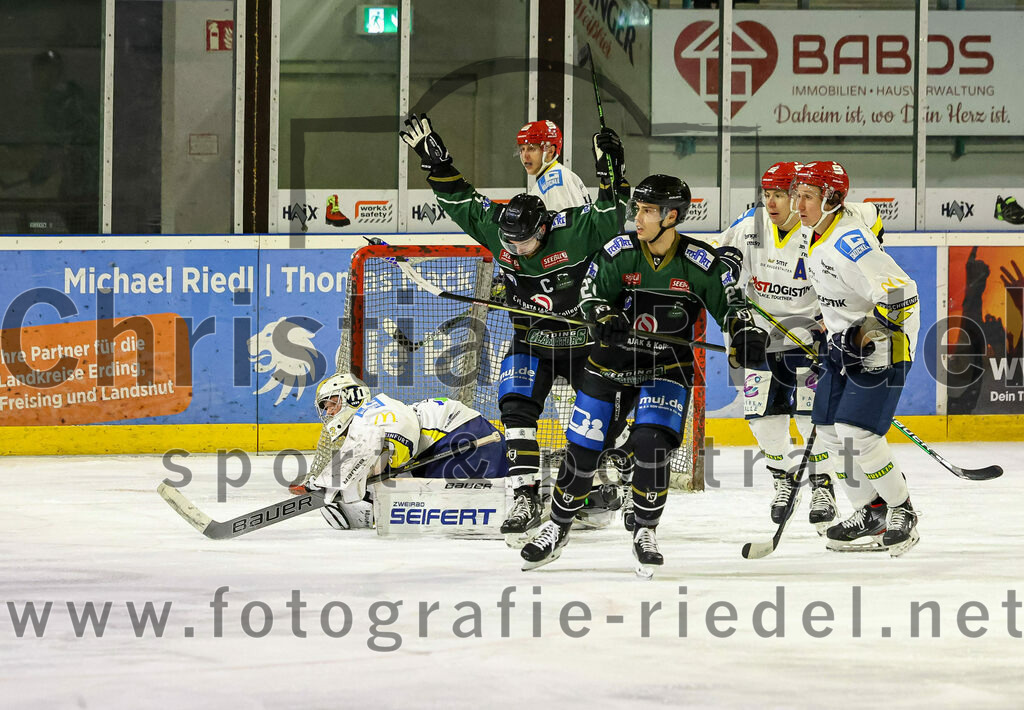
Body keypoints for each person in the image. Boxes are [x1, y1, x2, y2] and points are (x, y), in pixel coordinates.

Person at [520, 174, 769, 576]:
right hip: (609, 365)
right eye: (637, 209)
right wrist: (604, 315)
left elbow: (731, 306)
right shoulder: (618, 251)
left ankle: (645, 530)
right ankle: (558, 525)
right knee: (583, 450)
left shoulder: (699, 261)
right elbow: (590, 294)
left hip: (665, 368)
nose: (637, 217)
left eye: (648, 211)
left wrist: (743, 332)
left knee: (653, 446)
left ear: (672, 216)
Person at [400, 113, 630, 545]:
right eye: (509, 245)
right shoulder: (500, 229)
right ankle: (525, 497)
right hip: (532, 340)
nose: (516, 251)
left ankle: (600, 481)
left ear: (545, 229)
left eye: (524, 244)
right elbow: (462, 200)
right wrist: (436, 161)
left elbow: (611, 214)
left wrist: (612, 172)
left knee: (594, 426)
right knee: (516, 408)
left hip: (582, 341)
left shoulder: (573, 231)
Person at [792, 161, 921, 556]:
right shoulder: (818, 227)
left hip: (883, 344)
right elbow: (870, 212)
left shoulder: (849, 241)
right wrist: (830, 326)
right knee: (828, 431)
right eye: (797, 194)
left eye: (808, 196)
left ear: (832, 199)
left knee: (857, 433)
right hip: (842, 346)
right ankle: (872, 511)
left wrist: (863, 332)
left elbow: (903, 294)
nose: (798, 205)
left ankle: (902, 510)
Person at [711, 162, 838, 533]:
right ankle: (784, 480)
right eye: (767, 194)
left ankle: (822, 485)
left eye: (779, 194)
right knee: (762, 418)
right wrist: (738, 317)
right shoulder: (748, 226)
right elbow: (721, 271)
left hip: (808, 334)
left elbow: (841, 283)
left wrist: (830, 323)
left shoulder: (819, 230)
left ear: (797, 195)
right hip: (760, 336)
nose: (771, 202)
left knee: (810, 416)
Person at [299, 373, 508, 530]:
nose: (329, 411)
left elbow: (400, 439)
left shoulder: (372, 411)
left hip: (464, 437)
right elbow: (381, 460)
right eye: (325, 407)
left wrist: (337, 481)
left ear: (352, 397)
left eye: (332, 403)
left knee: (445, 516)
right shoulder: (366, 423)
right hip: (463, 441)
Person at [517, 120, 590, 212]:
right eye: (522, 149)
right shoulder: (555, 176)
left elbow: (567, 220)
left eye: (531, 149)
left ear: (550, 151)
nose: (525, 156)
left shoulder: (554, 183)